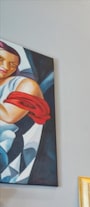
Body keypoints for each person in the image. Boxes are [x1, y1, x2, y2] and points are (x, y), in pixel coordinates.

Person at [0, 40, 51, 180]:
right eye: (0, 59)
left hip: (7, 151)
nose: (6, 67)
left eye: (12, 65)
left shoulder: (25, 84)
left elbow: (9, 116)